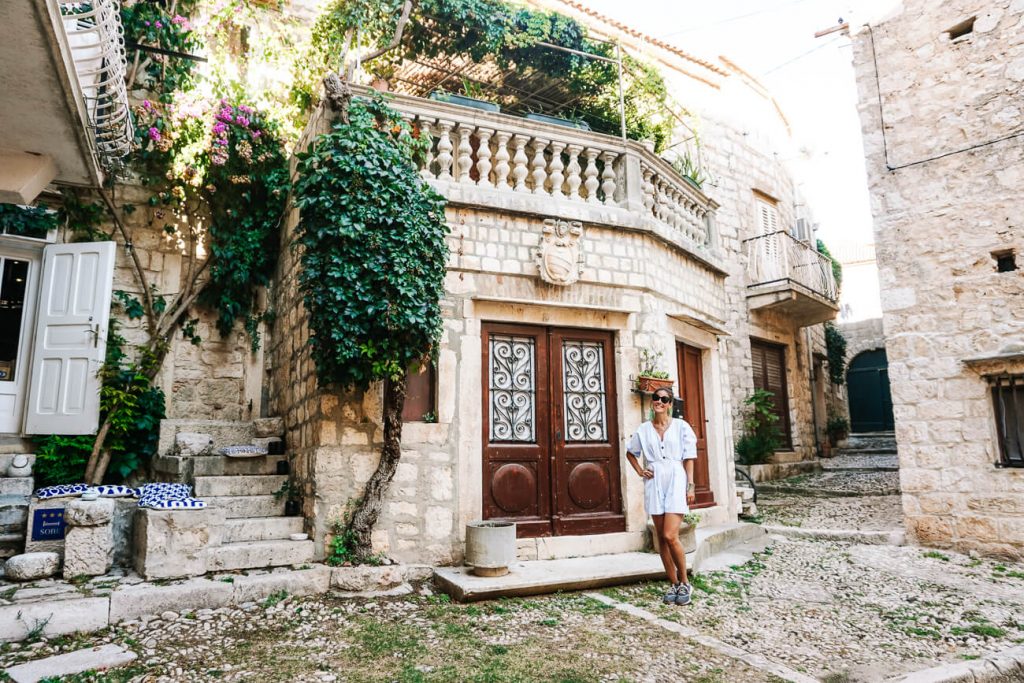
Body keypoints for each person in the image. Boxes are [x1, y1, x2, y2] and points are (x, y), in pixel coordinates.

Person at [625, 386, 698, 606]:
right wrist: (639, 470)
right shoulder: (644, 430)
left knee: (669, 535)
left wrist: (691, 486)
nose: (659, 402)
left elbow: (689, 458)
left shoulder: (681, 427)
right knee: (661, 539)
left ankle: (685, 582)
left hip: (676, 479)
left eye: (663, 399)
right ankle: (673, 584)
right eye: (655, 398)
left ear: (670, 404)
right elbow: (631, 452)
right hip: (654, 481)